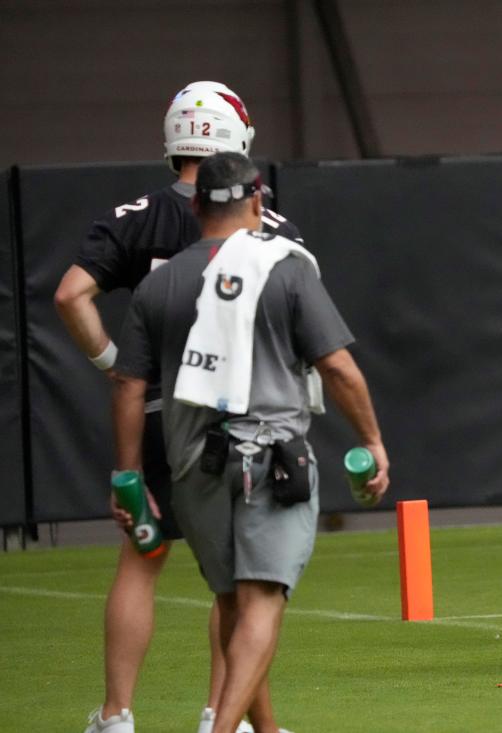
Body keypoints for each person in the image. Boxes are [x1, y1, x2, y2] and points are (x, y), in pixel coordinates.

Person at [112, 151, 390, 733]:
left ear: (194, 206)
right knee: (263, 600)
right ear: (258, 202)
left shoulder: (157, 285)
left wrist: (129, 475)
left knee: (236, 603)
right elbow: (337, 368)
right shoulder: (284, 267)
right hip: (271, 462)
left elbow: (130, 387)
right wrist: (372, 440)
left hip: (191, 468)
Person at [54, 81, 301, 733]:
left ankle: (116, 715)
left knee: (143, 557)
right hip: (247, 416)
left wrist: (113, 361)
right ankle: (225, 715)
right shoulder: (265, 221)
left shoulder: (138, 215)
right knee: (243, 577)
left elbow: (71, 294)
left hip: (166, 410)